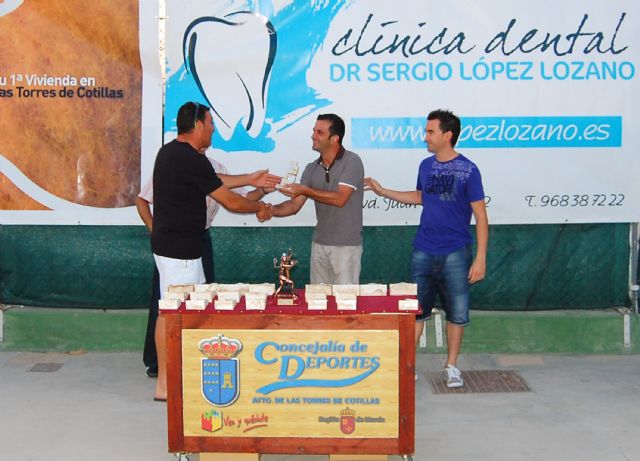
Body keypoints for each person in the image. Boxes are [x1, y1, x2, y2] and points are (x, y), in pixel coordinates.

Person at [149, 101, 275, 401]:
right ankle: (165, 385)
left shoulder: (174, 152)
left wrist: (251, 179)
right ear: (197, 126)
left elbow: (215, 180)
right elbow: (230, 201)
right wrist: (259, 205)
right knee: (172, 314)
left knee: (175, 311)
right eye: (210, 123)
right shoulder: (189, 158)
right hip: (179, 252)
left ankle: (175, 377)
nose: (214, 129)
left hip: (178, 248)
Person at [364, 109, 488, 388]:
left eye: (431, 132)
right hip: (423, 249)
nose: (426, 137)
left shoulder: (469, 170)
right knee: (416, 310)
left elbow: (481, 216)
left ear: (448, 135)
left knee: (457, 313)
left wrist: (480, 258)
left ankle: (451, 366)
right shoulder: (425, 166)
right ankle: (407, 367)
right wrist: (383, 191)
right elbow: (420, 196)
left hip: (456, 251)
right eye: (426, 132)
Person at [135, 159, 278, 378]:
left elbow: (241, 199)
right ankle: (158, 363)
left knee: (204, 299)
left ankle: (194, 357)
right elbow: (142, 200)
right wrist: (155, 230)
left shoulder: (218, 168)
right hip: (173, 241)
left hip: (201, 238)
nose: (208, 139)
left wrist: (262, 191)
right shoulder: (174, 162)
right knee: (166, 302)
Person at [270, 113, 364, 284]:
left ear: (334, 139)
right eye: (314, 131)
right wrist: (269, 209)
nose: (313, 135)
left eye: (319, 132)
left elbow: (340, 199)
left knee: (345, 299)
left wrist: (305, 190)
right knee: (318, 298)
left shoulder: (352, 161)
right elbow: (294, 205)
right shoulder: (311, 168)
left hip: (347, 246)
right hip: (319, 244)